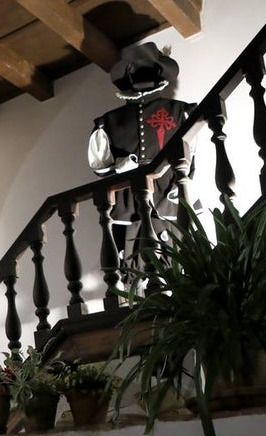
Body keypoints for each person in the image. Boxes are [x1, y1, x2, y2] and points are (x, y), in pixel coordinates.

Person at [88, 42, 197, 268]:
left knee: (178, 256)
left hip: (169, 191)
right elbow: (100, 167)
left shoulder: (181, 111)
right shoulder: (107, 122)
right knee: (130, 260)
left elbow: (190, 156)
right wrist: (120, 166)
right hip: (128, 197)